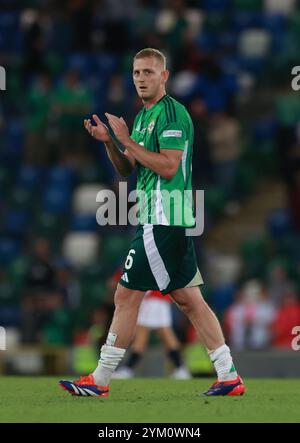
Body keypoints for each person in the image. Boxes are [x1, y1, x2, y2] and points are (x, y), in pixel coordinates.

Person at [59, 48, 245, 397]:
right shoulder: (143, 116)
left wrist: (126, 139)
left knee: (126, 295)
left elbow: (170, 166)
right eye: (136, 73)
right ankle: (228, 374)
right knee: (190, 300)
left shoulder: (172, 113)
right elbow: (128, 169)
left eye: (148, 72)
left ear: (164, 76)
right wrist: (112, 144)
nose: (141, 78)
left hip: (162, 217)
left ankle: (99, 380)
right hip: (160, 218)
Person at [113, 288, 191, 380]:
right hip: (160, 300)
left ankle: (127, 370)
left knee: (142, 337)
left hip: (151, 300)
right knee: (166, 336)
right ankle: (181, 369)